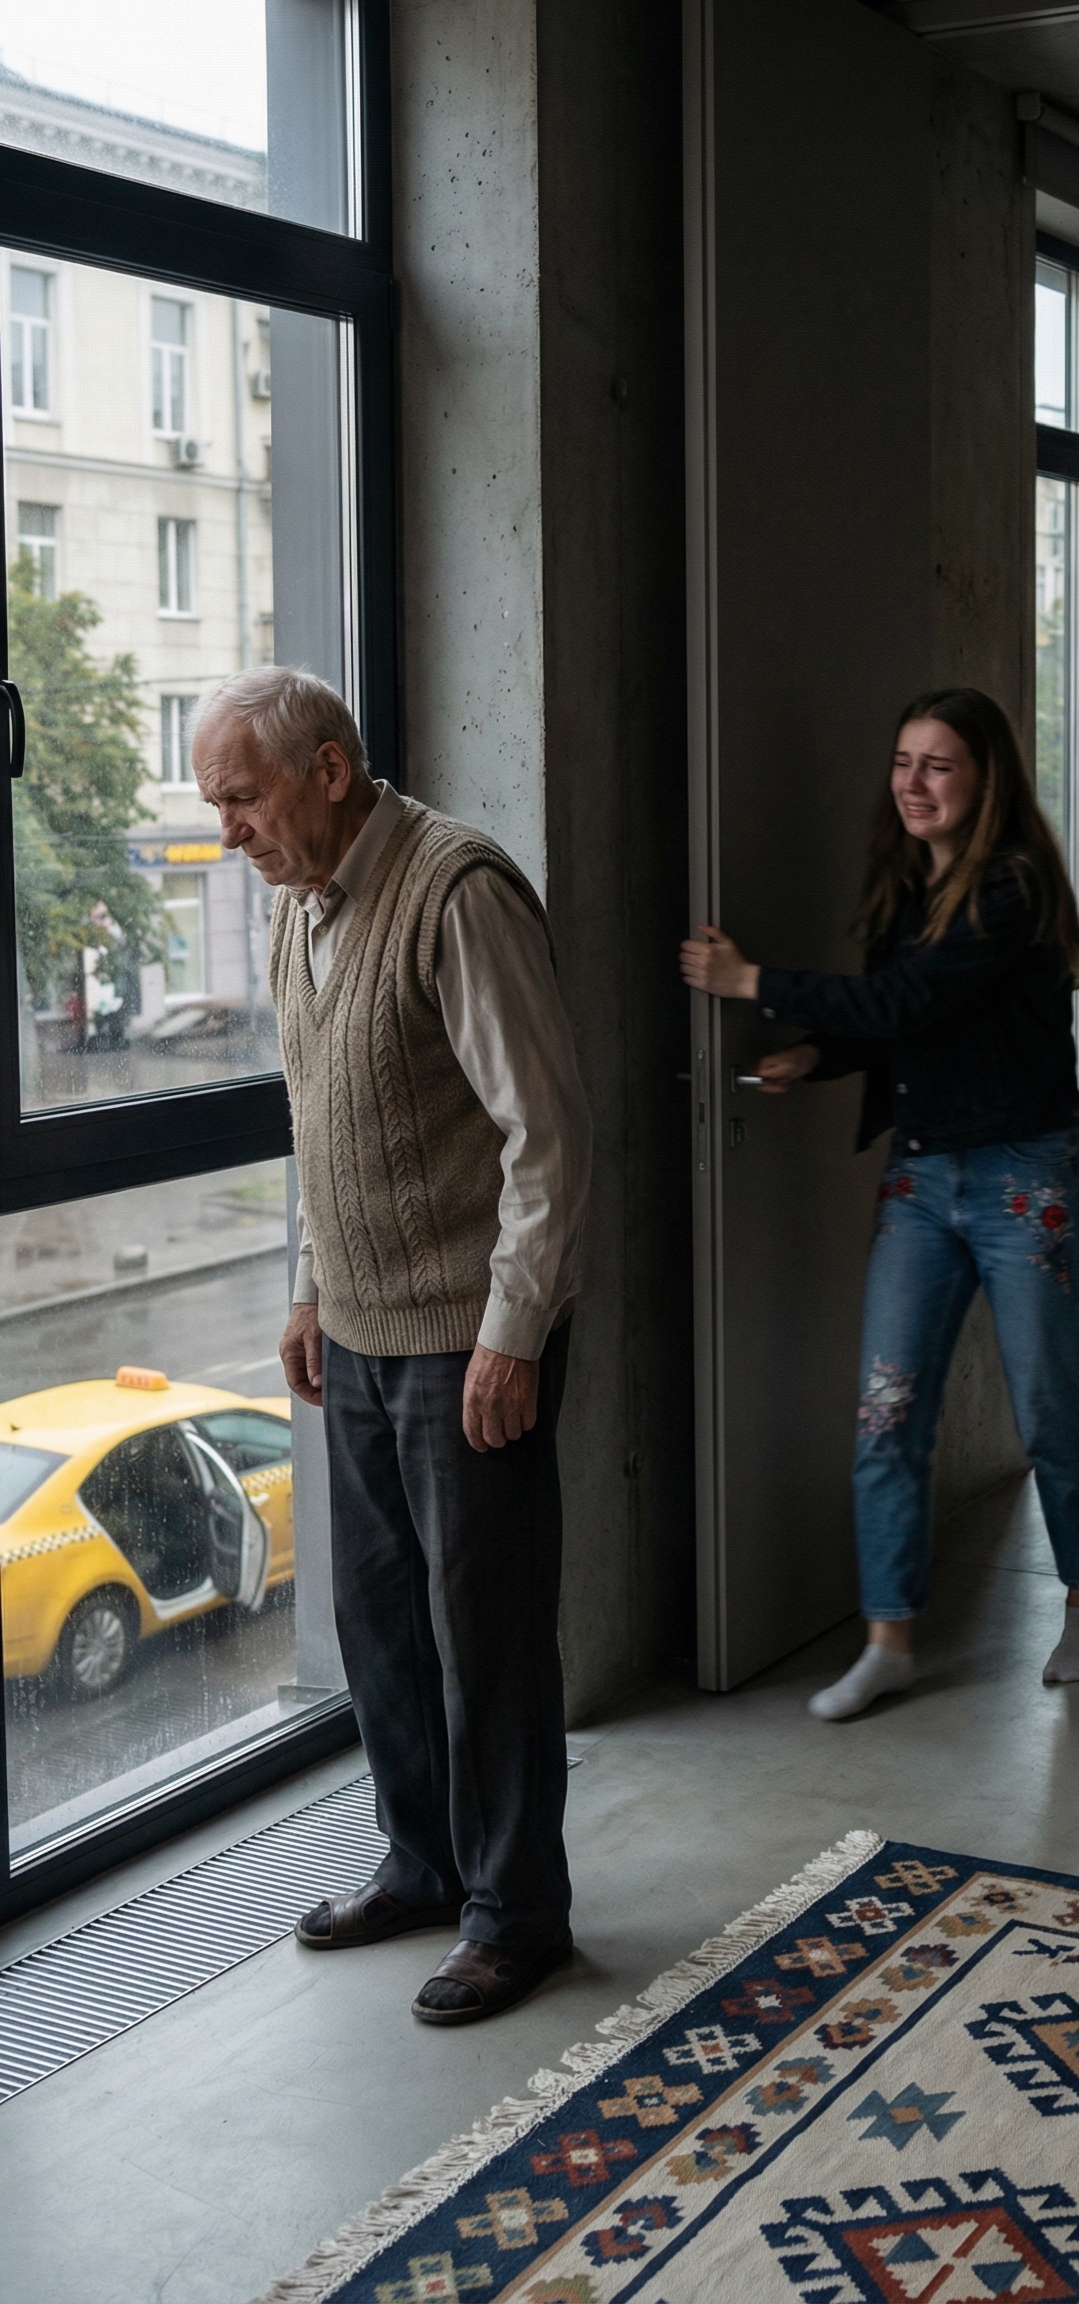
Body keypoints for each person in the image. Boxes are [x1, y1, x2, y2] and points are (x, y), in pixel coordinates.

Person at [192, 666, 592, 2025]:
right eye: (214, 807)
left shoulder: (456, 892)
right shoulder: (305, 912)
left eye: (239, 799)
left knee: (486, 1635)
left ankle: (516, 1912)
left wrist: (514, 1330)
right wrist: (310, 1288)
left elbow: (547, 1135)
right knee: (379, 1626)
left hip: (466, 1340)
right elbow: (325, 1128)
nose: (226, 832)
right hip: (358, 1337)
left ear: (329, 770)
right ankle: (423, 1865)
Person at [679, 687, 1079, 1719]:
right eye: (903, 761)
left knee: (1048, 1411)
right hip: (921, 1182)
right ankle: (889, 1640)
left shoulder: (1009, 889)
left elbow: (913, 1001)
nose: (913, 783)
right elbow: (905, 1025)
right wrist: (815, 1057)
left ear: (983, 778)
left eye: (939, 765)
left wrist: (751, 984)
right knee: (885, 1415)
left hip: (1021, 1179)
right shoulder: (908, 887)